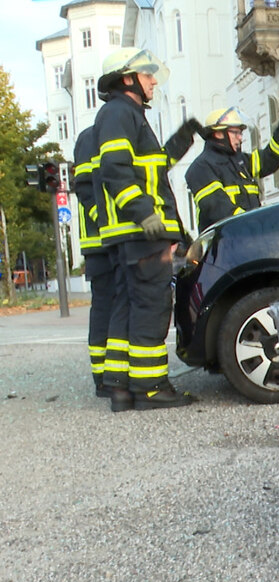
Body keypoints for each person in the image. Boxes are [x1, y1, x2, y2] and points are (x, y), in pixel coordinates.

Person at [94, 47, 201, 412]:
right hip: (141, 232)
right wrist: (144, 214)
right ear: (128, 79)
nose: (154, 80)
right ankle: (151, 387)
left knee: (128, 305)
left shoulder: (126, 115)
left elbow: (151, 168)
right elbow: (115, 169)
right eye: (147, 74)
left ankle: (121, 388)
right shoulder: (120, 114)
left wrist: (183, 139)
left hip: (135, 232)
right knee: (152, 307)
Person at [185, 105, 279, 233]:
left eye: (240, 133)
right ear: (219, 133)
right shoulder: (201, 167)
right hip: (224, 244)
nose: (240, 138)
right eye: (236, 132)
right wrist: (255, 223)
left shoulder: (240, 161)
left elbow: (270, 159)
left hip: (248, 237)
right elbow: (218, 207)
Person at [73, 125, 114, 399]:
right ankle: (102, 377)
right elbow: (86, 189)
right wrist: (106, 219)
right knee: (104, 309)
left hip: (117, 238)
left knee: (115, 308)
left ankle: (113, 374)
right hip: (101, 243)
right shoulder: (92, 137)